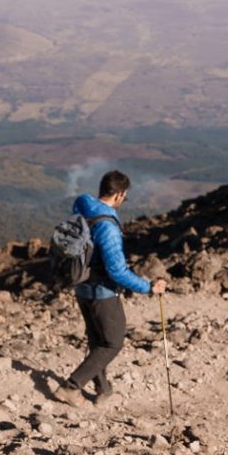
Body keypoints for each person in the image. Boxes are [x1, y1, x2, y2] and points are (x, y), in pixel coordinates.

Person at [53, 169, 165, 407]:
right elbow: (116, 271)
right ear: (120, 195)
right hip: (102, 293)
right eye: (125, 197)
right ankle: (70, 387)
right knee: (112, 343)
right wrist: (148, 288)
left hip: (80, 285)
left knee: (97, 341)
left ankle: (103, 389)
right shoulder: (108, 228)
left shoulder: (82, 205)